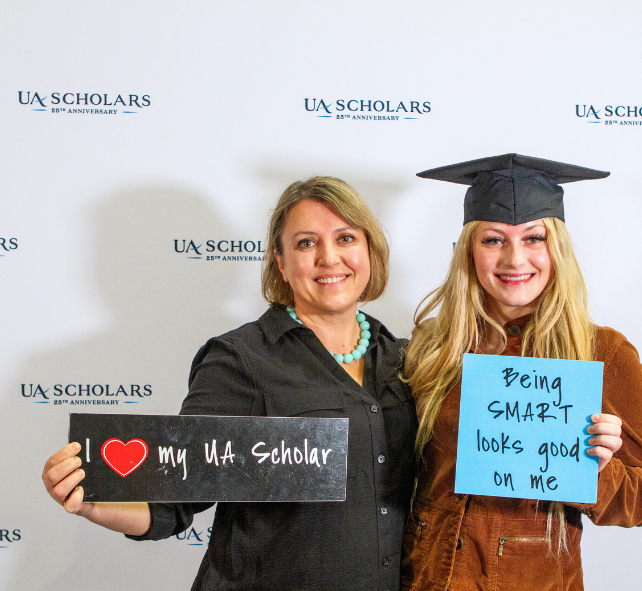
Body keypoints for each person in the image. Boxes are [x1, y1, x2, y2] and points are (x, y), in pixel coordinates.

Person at [43, 176, 417, 591]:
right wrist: (95, 501)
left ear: (369, 250)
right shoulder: (239, 360)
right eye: (306, 243)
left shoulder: (405, 360)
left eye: (345, 238)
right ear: (281, 261)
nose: (329, 258)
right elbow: (173, 501)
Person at [401, 154, 642, 591]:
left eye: (534, 238)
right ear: (469, 248)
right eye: (493, 239)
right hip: (426, 577)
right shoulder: (432, 346)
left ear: (555, 246)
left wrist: (600, 469)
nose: (514, 258)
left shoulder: (604, 352)